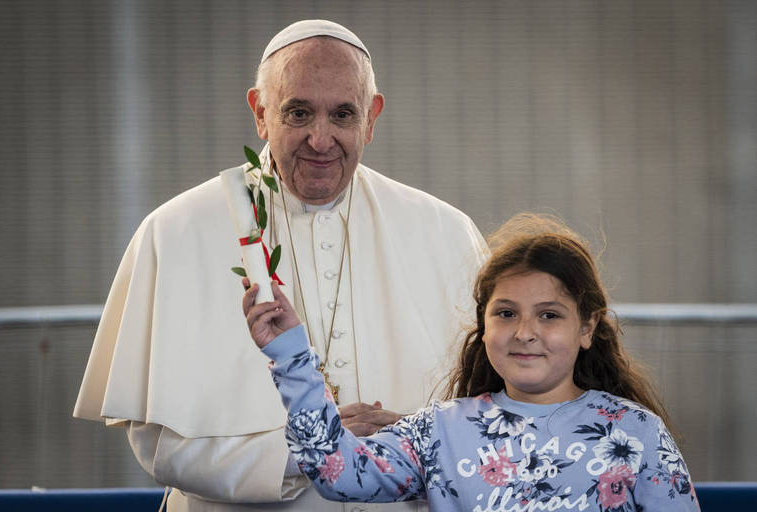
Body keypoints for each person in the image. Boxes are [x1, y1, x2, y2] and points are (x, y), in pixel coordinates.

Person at [73, 19, 488, 511]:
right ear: (260, 113)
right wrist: (308, 452)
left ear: (371, 118)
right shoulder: (176, 231)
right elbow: (158, 444)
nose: (320, 139)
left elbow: (490, 413)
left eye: (342, 114)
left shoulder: (446, 231)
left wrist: (419, 441)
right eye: (298, 112)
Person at [243, 213, 700, 511]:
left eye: (549, 315)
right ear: (483, 325)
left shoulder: (636, 432)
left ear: (587, 327)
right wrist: (291, 356)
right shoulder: (439, 431)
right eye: (506, 313)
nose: (525, 332)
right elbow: (334, 469)